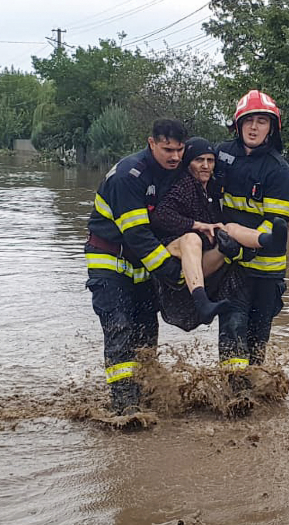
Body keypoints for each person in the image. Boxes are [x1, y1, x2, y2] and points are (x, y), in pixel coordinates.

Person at [85, 119, 188, 417]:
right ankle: (124, 408)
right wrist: (172, 272)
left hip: (142, 267)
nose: (175, 157)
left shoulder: (173, 173)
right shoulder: (128, 176)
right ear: (151, 143)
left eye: (180, 150)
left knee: (146, 332)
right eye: (168, 149)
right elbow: (138, 235)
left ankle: (145, 394)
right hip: (110, 261)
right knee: (119, 328)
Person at [151, 137, 287, 329]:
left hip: (203, 260)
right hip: (176, 259)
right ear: (188, 163)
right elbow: (160, 216)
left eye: (210, 160)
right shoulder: (183, 186)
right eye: (199, 160)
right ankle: (202, 302)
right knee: (192, 239)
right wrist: (195, 225)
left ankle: (268, 240)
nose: (206, 166)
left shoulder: (214, 189)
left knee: (229, 229)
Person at [215, 90, 289, 386]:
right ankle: (235, 398)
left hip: (266, 272)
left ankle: (252, 392)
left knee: (256, 342)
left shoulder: (280, 172)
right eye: (248, 120)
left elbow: (273, 229)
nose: (253, 127)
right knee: (232, 331)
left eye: (261, 121)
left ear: (271, 128)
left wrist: (240, 245)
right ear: (238, 125)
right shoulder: (221, 155)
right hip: (232, 267)